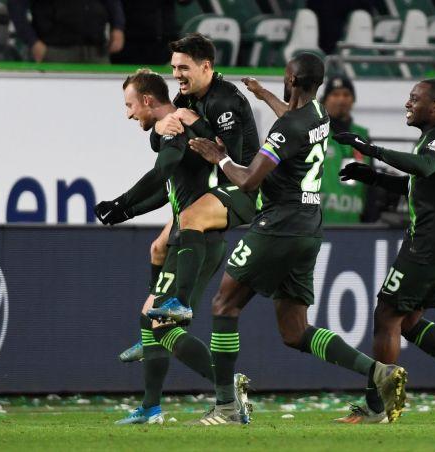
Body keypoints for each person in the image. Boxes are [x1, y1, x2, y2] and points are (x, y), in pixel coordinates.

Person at [188, 53, 407, 426]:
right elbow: (292, 119)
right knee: (295, 330)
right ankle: (379, 373)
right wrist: (264, 96)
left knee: (225, 305)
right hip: (308, 228)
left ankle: (226, 407)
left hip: (278, 225)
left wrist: (219, 157)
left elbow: (248, 180)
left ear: (290, 79)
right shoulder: (320, 114)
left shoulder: (286, 127)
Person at [335, 79, 435, 423]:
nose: (407, 104)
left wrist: (371, 149)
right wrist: (374, 177)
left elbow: (424, 167)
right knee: (407, 321)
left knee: (386, 316)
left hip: (429, 241)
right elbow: (421, 183)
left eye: (414, 99)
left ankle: (374, 406)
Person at [94, 69, 250, 425]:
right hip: (188, 235)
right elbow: (168, 189)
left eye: (131, 104)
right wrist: (125, 210)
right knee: (151, 319)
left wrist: (121, 202)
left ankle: (226, 388)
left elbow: (163, 171)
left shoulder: (175, 129)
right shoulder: (169, 128)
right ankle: (151, 408)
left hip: (199, 240)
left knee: (162, 326)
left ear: (148, 100)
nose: (129, 113)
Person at [140, 33, 261, 324]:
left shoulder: (225, 101)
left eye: (183, 68)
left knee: (191, 218)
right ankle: (158, 303)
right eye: (173, 67)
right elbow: (162, 143)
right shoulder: (186, 98)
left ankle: (179, 303)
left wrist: (199, 125)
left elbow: (229, 159)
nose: (176, 75)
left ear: (205, 66)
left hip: (242, 189)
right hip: (211, 191)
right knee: (157, 247)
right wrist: (158, 131)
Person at [319, 75, 371, 224]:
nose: (341, 99)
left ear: (353, 100)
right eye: (335, 94)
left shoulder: (363, 136)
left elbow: (371, 186)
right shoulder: (314, 133)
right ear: (325, 100)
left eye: (346, 94)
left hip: (354, 225)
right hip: (318, 225)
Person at [8, 0, 125, 63]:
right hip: (56, 51)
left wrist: (118, 27)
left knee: (102, 103)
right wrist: (33, 43)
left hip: (97, 51)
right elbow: (16, 7)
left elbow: (113, 2)